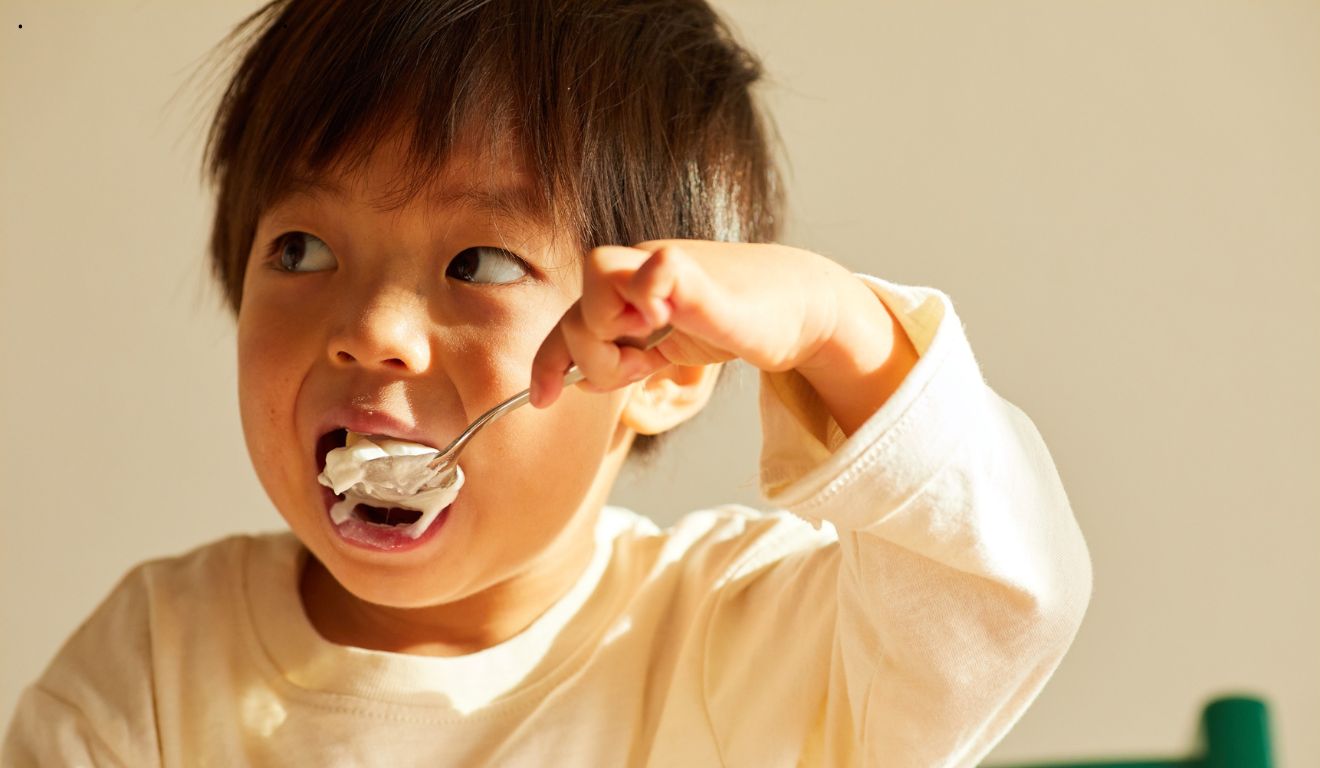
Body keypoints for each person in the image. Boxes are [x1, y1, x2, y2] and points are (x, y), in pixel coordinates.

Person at [2, 0, 1092, 765]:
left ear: (667, 371)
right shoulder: (154, 663)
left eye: (477, 263)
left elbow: (998, 590)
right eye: (300, 249)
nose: (372, 329)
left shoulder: (728, 641)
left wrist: (835, 325)